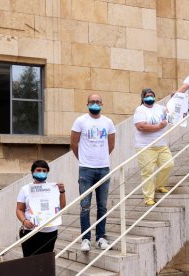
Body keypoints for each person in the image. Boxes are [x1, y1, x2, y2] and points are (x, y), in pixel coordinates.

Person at [70, 93, 116, 252]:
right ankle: (86, 239)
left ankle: (101, 237)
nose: (95, 104)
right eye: (92, 102)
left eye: (97, 102)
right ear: (87, 103)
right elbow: (73, 144)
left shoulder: (108, 122)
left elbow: (111, 145)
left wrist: (100, 159)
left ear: (102, 103)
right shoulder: (80, 121)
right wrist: (83, 159)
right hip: (86, 170)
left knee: (102, 206)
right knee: (85, 206)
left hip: (103, 168)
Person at [16, 160, 66, 257]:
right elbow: (19, 209)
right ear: (32, 172)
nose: (41, 172)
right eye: (38, 170)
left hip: (50, 232)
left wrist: (62, 192)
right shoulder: (25, 189)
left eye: (44, 170)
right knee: (29, 262)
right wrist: (24, 221)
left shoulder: (53, 188)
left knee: (45, 263)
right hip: (30, 231)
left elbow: (62, 207)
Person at [133, 88, 174, 206]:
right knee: (148, 172)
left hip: (161, 145)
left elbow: (172, 111)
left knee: (169, 164)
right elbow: (141, 126)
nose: (150, 98)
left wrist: (176, 99)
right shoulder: (140, 110)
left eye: (152, 95)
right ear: (142, 98)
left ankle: (159, 185)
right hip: (145, 147)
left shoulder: (160, 108)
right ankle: (149, 198)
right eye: (147, 96)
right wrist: (159, 127)